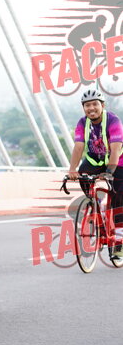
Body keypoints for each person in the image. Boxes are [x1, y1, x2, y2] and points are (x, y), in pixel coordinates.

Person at [67, 88, 123, 257]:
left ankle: (119, 240)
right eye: (87, 105)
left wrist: (110, 171)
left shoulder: (113, 121)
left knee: (118, 198)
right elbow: (78, 147)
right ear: (83, 108)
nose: (91, 108)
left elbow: (115, 149)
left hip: (118, 161)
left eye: (94, 104)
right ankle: (94, 205)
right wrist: (72, 170)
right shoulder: (82, 123)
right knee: (83, 175)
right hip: (95, 160)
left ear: (102, 105)